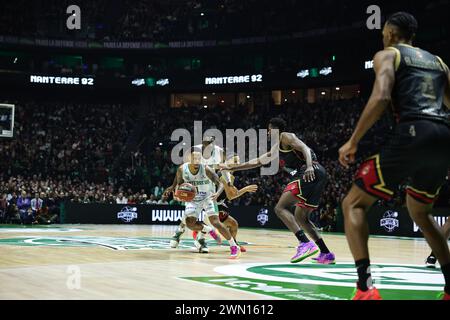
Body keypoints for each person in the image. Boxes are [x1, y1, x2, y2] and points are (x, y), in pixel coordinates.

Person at [338, 12, 450, 300]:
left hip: (413, 132)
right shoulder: (439, 63)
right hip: (443, 138)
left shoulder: (387, 55)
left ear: (389, 32)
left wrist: (353, 141)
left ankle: (365, 288)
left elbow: (382, 96)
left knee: (353, 204)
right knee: (420, 212)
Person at [220, 117, 335, 264]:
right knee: (301, 217)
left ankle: (305, 243)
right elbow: (258, 161)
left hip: (309, 171)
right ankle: (326, 253)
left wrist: (310, 166)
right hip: (317, 176)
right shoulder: (276, 147)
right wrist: (232, 167)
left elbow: (305, 148)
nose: (268, 133)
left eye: (269, 130)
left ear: (275, 129)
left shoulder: (285, 136)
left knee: (280, 208)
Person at [167, 148, 241, 258]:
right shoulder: (182, 169)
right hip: (193, 199)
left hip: (208, 197)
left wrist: (217, 193)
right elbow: (181, 185)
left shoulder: (206, 169)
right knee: (190, 223)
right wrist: (178, 194)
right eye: (194, 158)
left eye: (199, 158)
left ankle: (234, 246)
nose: (197, 161)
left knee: (216, 222)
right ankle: (207, 229)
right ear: (189, 158)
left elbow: (220, 183)